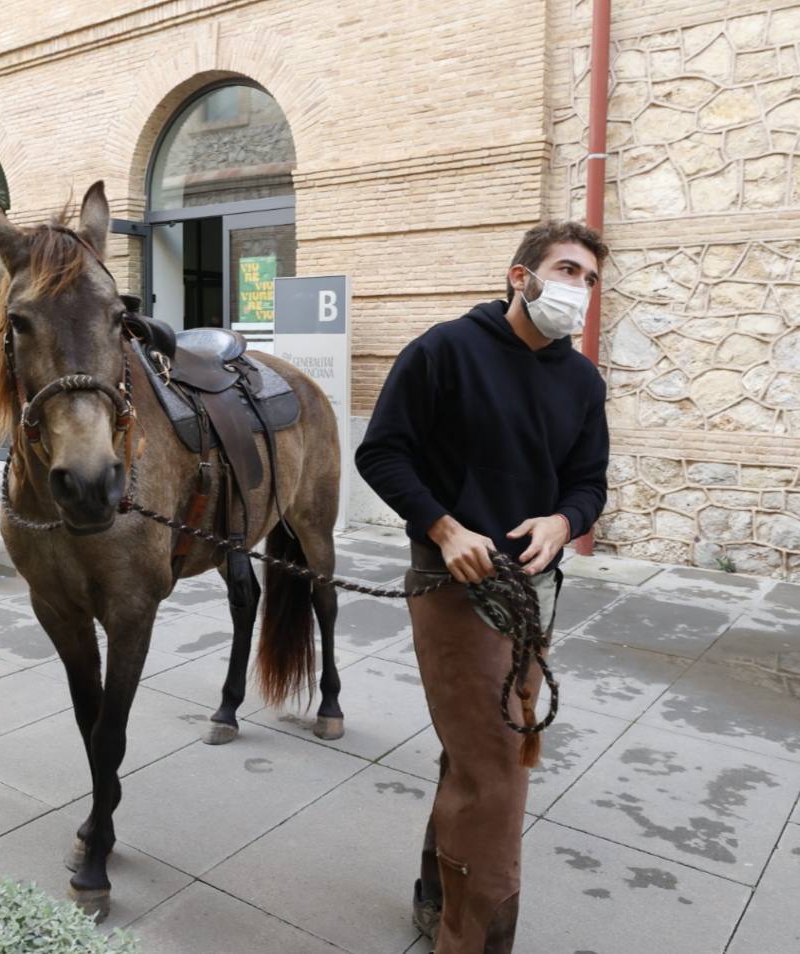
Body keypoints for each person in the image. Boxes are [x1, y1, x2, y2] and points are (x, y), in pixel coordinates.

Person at [355, 221, 610, 954]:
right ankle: (474, 942)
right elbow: (383, 452)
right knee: (498, 773)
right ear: (518, 275)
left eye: (590, 279)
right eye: (566, 270)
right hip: (452, 586)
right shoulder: (444, 350)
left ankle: (436, 893)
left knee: (474, 756)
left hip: (536, 594)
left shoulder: (582, 379)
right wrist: (444, 527)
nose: (578, 290)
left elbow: (589, 481)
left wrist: (565, 522)